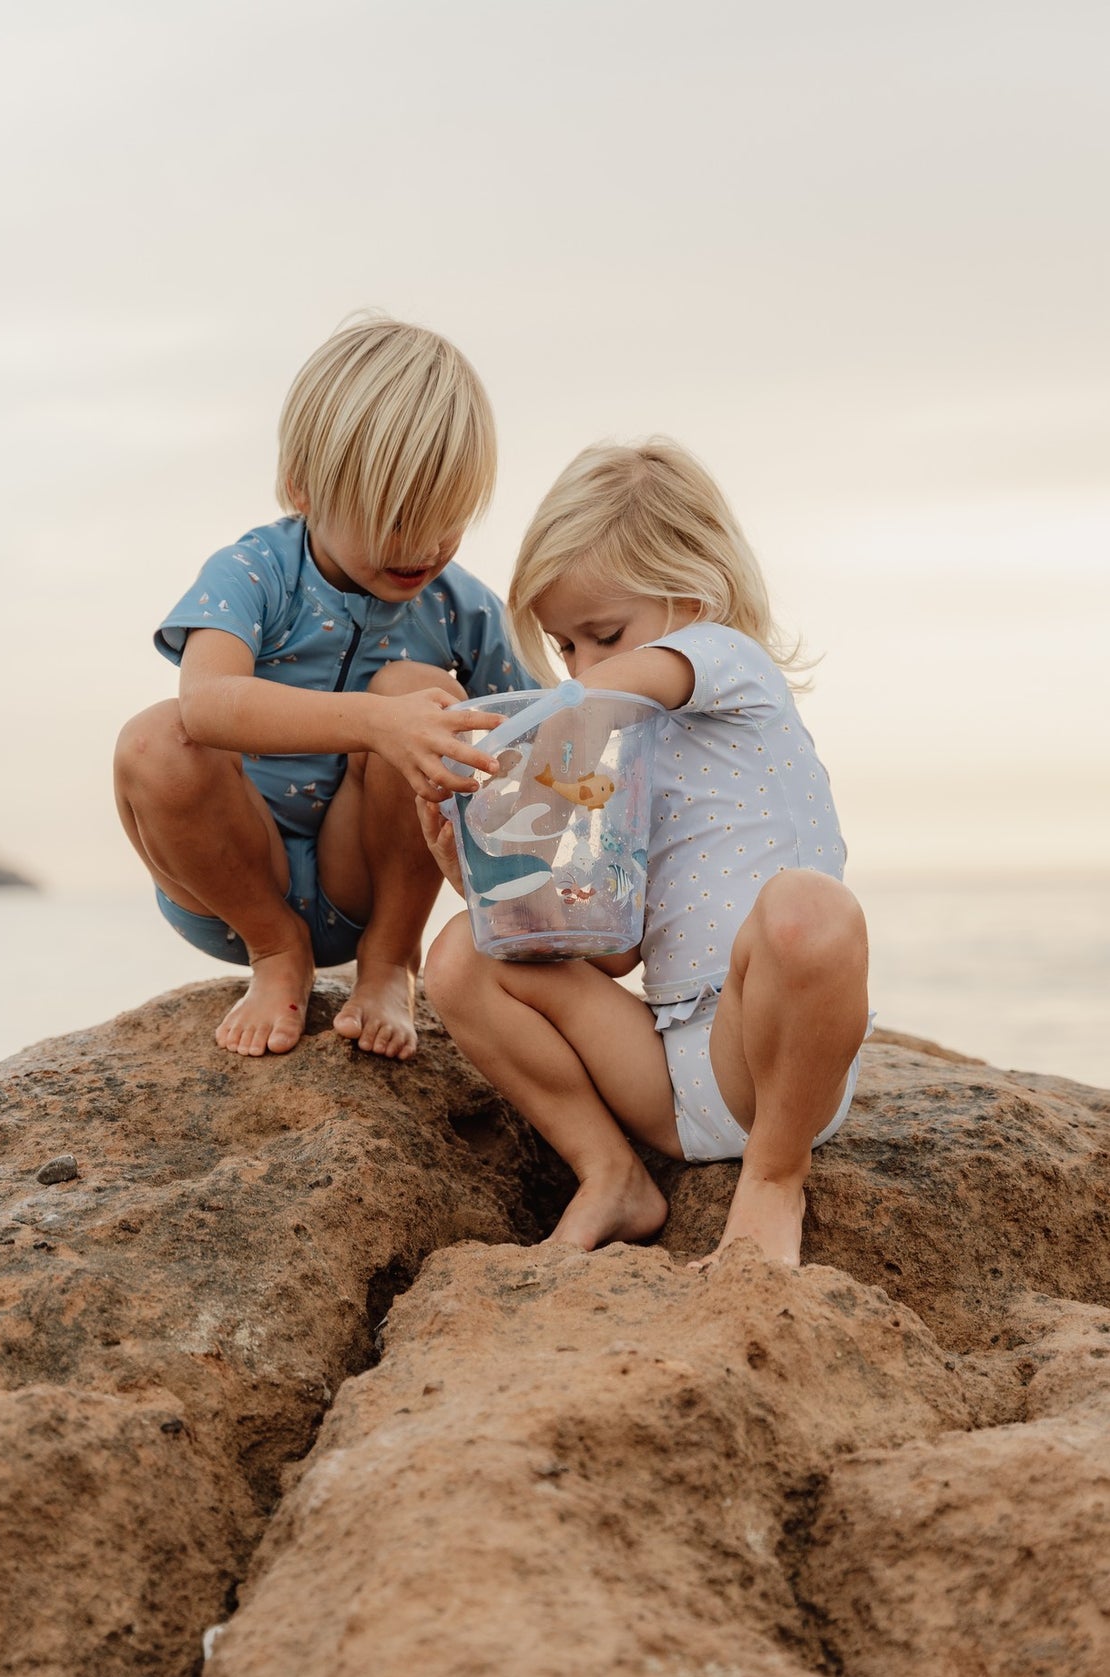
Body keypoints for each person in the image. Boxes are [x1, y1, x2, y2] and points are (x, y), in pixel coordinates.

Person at [419, 439, 870, 1269]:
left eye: (605, 634)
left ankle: (773, 1181)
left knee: (810, 911)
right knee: (460, 957)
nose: (583, 667)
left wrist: (515, 774)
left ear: (693, 595)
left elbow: (605, 696)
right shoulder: (635, 756)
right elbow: (614, 945)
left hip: (768, 1063)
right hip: (669, 1080)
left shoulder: (727, 660)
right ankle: (614, 1173)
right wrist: (472, 870)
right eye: (565, 648)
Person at [115, 317, 533, 1063]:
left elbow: (534, 734)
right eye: (397, 517)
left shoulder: (460, 607)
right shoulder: (256, 572)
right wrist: (374, 721)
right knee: (152, 741)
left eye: (449, 518)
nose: (422, 546)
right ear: (303, 488)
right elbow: (207, 703)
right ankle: (278, 954)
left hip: (367, 879)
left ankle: (390, 965)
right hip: (234, 884)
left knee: (426, 694)